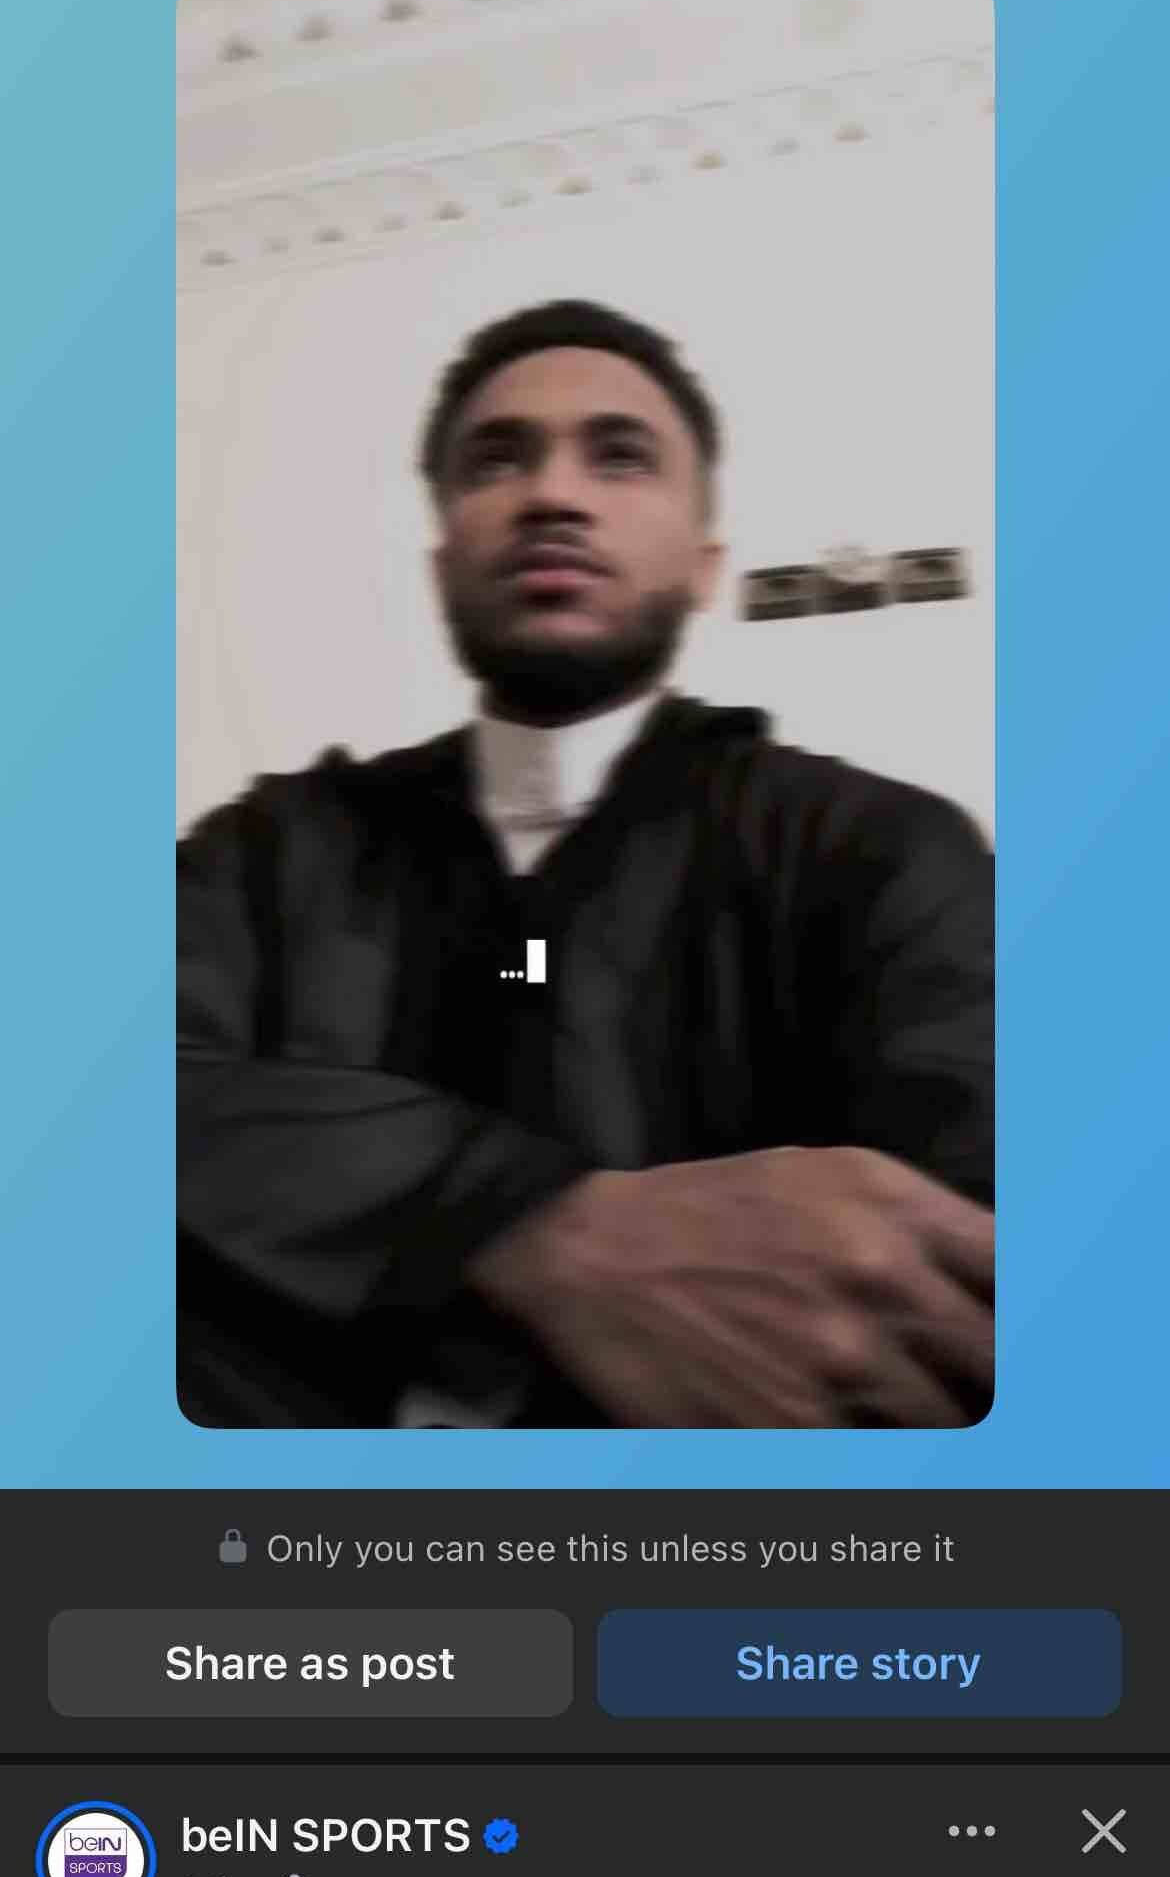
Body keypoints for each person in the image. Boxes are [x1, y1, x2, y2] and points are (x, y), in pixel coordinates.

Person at [178, 298, 993, 1428]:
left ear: (705, 564)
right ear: (442, 557)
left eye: (620, 457)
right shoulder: (263, 854)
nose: (553, 495)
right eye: (496, 460)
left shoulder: (883, 850)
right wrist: (518, 1220)